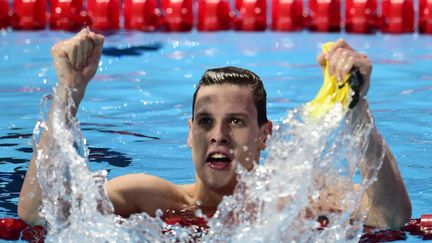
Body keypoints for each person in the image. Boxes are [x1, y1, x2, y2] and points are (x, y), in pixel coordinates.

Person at [18, 29, 411, 229]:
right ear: (190, 134)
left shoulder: (302, 199)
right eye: (205, 122)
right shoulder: (149, 198)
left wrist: (356, 109)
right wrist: (69, 92)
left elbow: (390, 218)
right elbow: (37, 213)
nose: (217, 135)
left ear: (265, 135)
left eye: (236, 122)